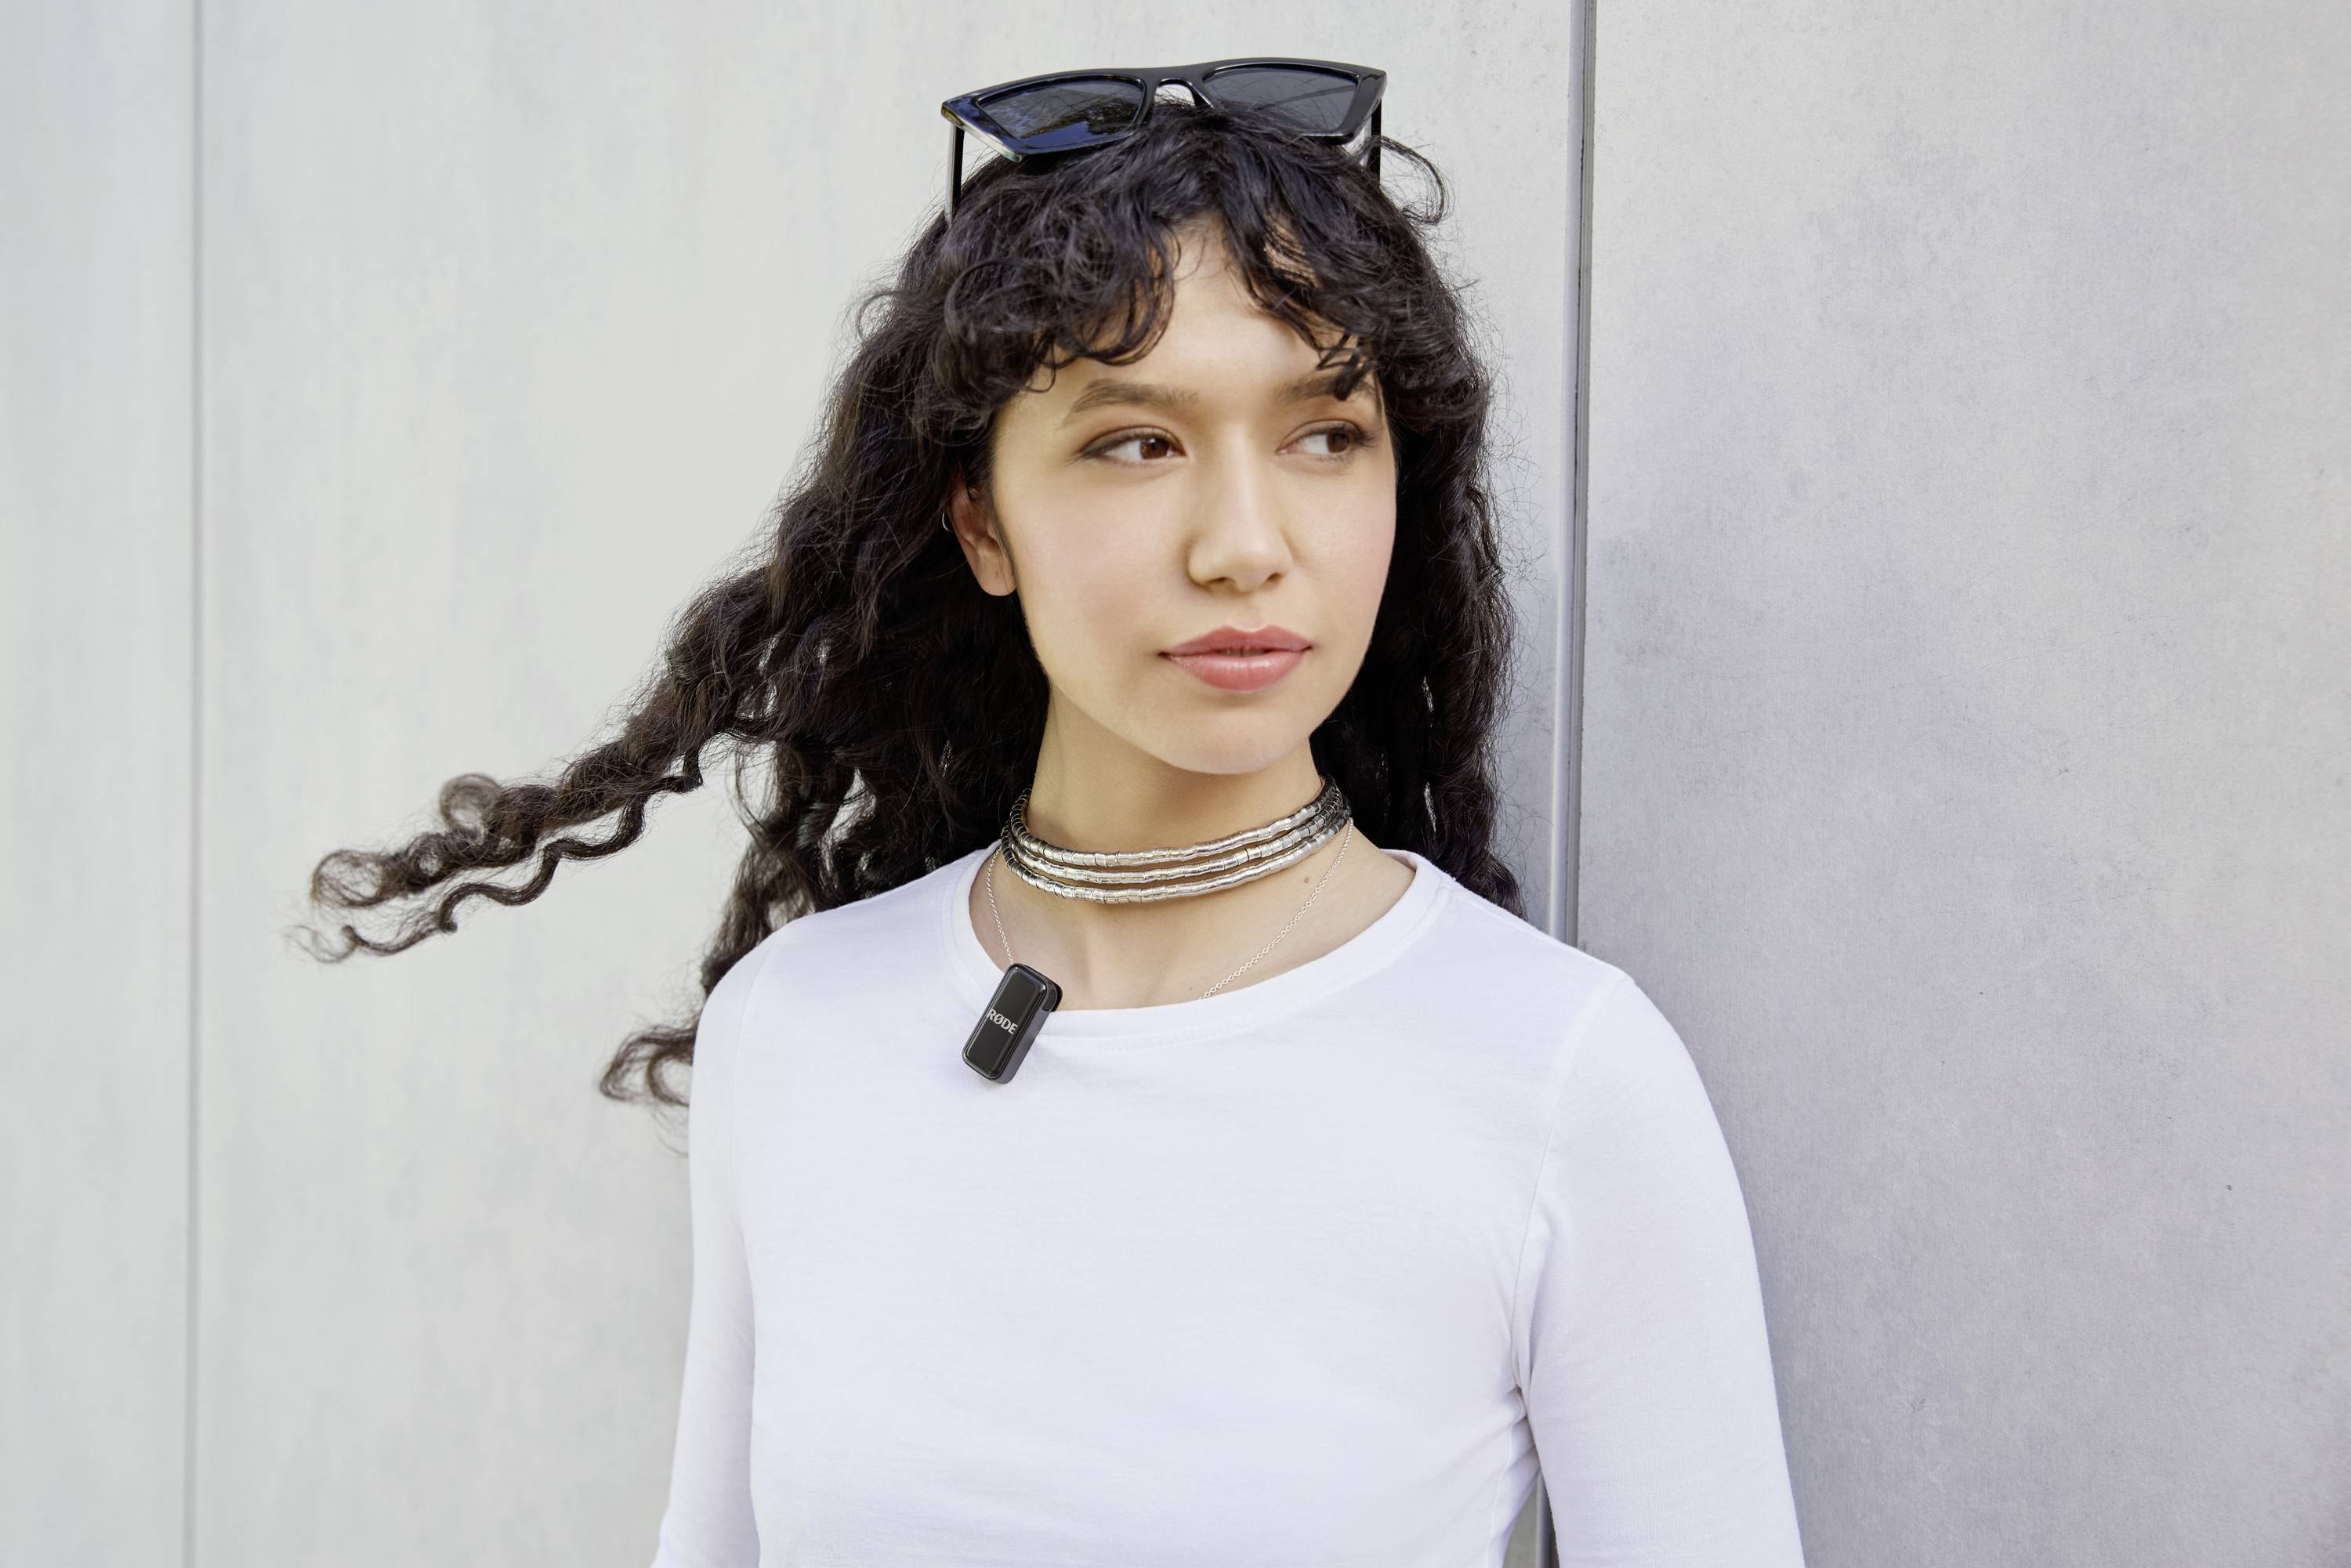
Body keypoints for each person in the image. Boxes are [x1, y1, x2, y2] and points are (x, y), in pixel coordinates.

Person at [305, 66, 1805, 1568]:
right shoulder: (799, 1025)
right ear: (981, 518)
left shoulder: (1561, 1077)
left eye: (1325, 433)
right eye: (1137, 442)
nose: (1243, 545)